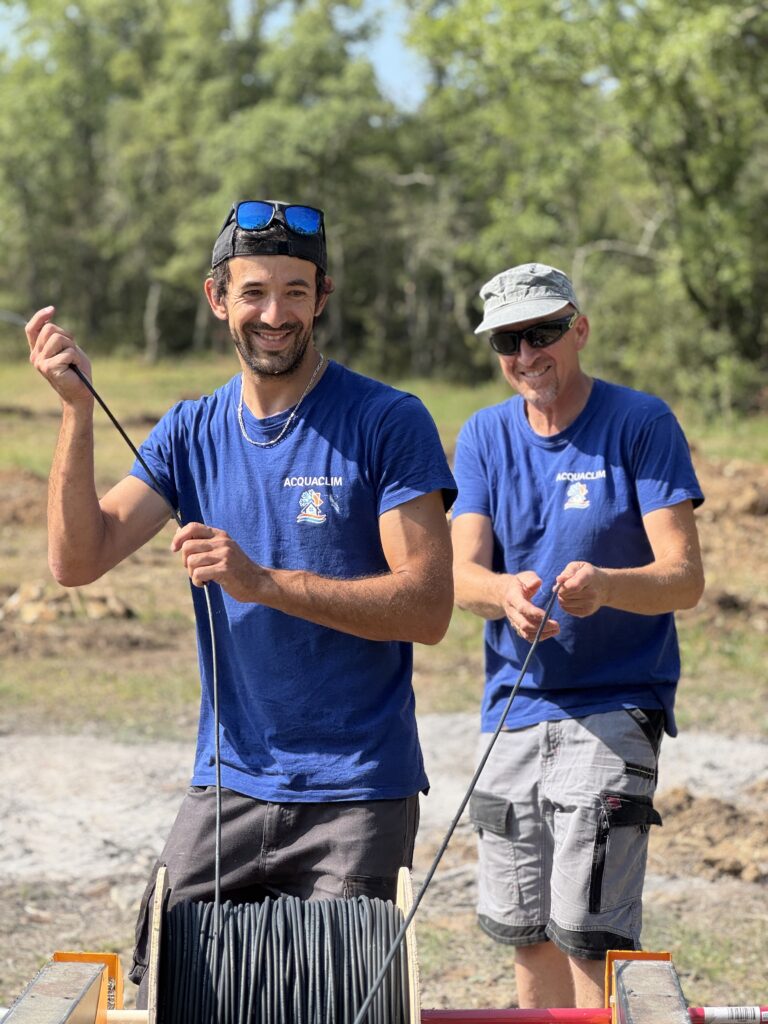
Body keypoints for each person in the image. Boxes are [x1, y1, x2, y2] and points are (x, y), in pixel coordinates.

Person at [26, 199, 456, 1003]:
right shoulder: (190, 430)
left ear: (322, 298)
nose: (275, 314)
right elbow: (77, 560)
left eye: (295, 291)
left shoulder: (388, 421)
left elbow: (428, 608)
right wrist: (77, 411)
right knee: (167, 992)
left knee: (337, 1003)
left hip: (356, 790)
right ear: (218, 298)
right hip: (227, 785)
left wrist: (263, 583)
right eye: (254, 291)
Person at [451, 263, 704, 1009]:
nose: (526, 355)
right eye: (508, 341)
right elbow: (459, 577)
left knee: (589, 932)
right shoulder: (484, 435)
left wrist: (608, 587)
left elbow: (684, 578)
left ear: (579, 329)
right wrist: (504, 593)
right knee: (525, 927)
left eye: (543, 333)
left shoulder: (641, 422)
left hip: (614, 705)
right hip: (513, 709)